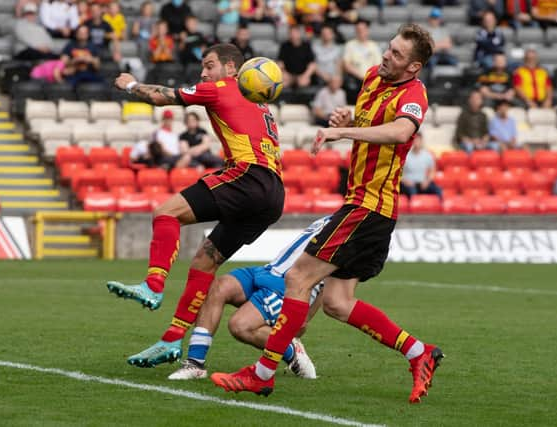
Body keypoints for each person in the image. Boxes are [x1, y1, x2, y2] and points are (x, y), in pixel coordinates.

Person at [211, 24, 444, 405]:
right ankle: (419, 353)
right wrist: (347, 121)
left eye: (397, 55)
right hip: (362, 206)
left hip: (370, 206)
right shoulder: (372, 77)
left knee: (298, 277)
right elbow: (370, 124)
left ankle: (263, 373)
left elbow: (402, 132)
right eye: (388, 49)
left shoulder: (414, 94)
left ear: (413, 68)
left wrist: (344, 135)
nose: (386, 56)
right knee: (337, 302)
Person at [107, 43, 284, 368]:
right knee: (204, 263)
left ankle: (153, 285)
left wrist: (131, 85)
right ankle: (171, 340)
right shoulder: (260, 103)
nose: (203, 73)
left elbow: (161, 96)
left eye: (210, 64)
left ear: (232, 69)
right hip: (272, 193)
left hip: (247, 176)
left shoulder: (222, 88)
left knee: (165, 212)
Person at [168, 216, 332, 380]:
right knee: (217, 288)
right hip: (268, 270)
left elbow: (332, 274)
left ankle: (291, 350)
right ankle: (195, 364)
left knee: (240, 326)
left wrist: (305, 317)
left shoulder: (351, 231)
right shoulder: (337, 216)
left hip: (286, 287)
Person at [342, 19, 382, 103]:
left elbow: (378, 66)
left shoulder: (374, 46)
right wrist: (362, 77)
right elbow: (347, 65)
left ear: (367, 30)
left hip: (371, 80)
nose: (360, 32)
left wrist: (368, 78)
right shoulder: (350, 45)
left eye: (362, 29)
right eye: (358, 30)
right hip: (355, 80)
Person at [400, 132, 442, 199]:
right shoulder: (405, 155)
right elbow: (398, 173)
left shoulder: (428, 155)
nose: (416, 142)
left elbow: (432, 171)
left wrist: (427, 181)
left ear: (421, 141)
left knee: (438, 190)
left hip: (423, 183)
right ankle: (414, 207)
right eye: (415, 140)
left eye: (418, 140)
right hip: (408, 184)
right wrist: (405, 181)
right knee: (412, 191)